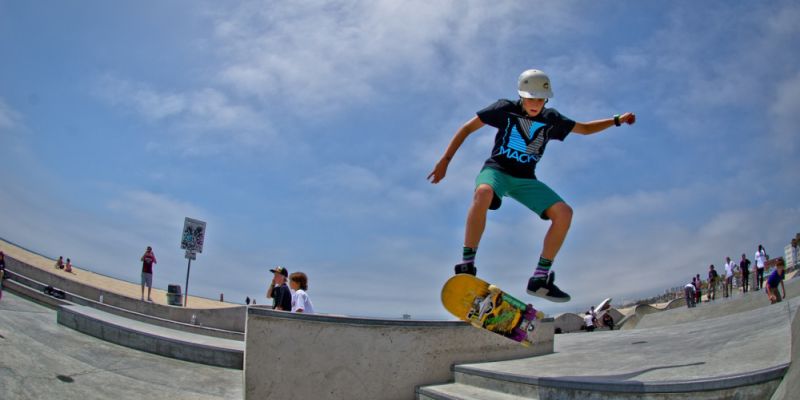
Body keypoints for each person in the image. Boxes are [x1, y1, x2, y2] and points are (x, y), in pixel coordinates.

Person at [427, 68, 636, 302]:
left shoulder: (551, 119)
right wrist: (445, 160)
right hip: (496, 171)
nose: (535, 104)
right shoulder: (504, 109)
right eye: (530, 99)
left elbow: (585, 128)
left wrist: (616, 120)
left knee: (564, 213)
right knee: (483, 193)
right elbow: (467, 128)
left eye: (540, 99)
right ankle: (467, 264)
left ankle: (540, 279)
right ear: (521, 96)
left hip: (526, 179)